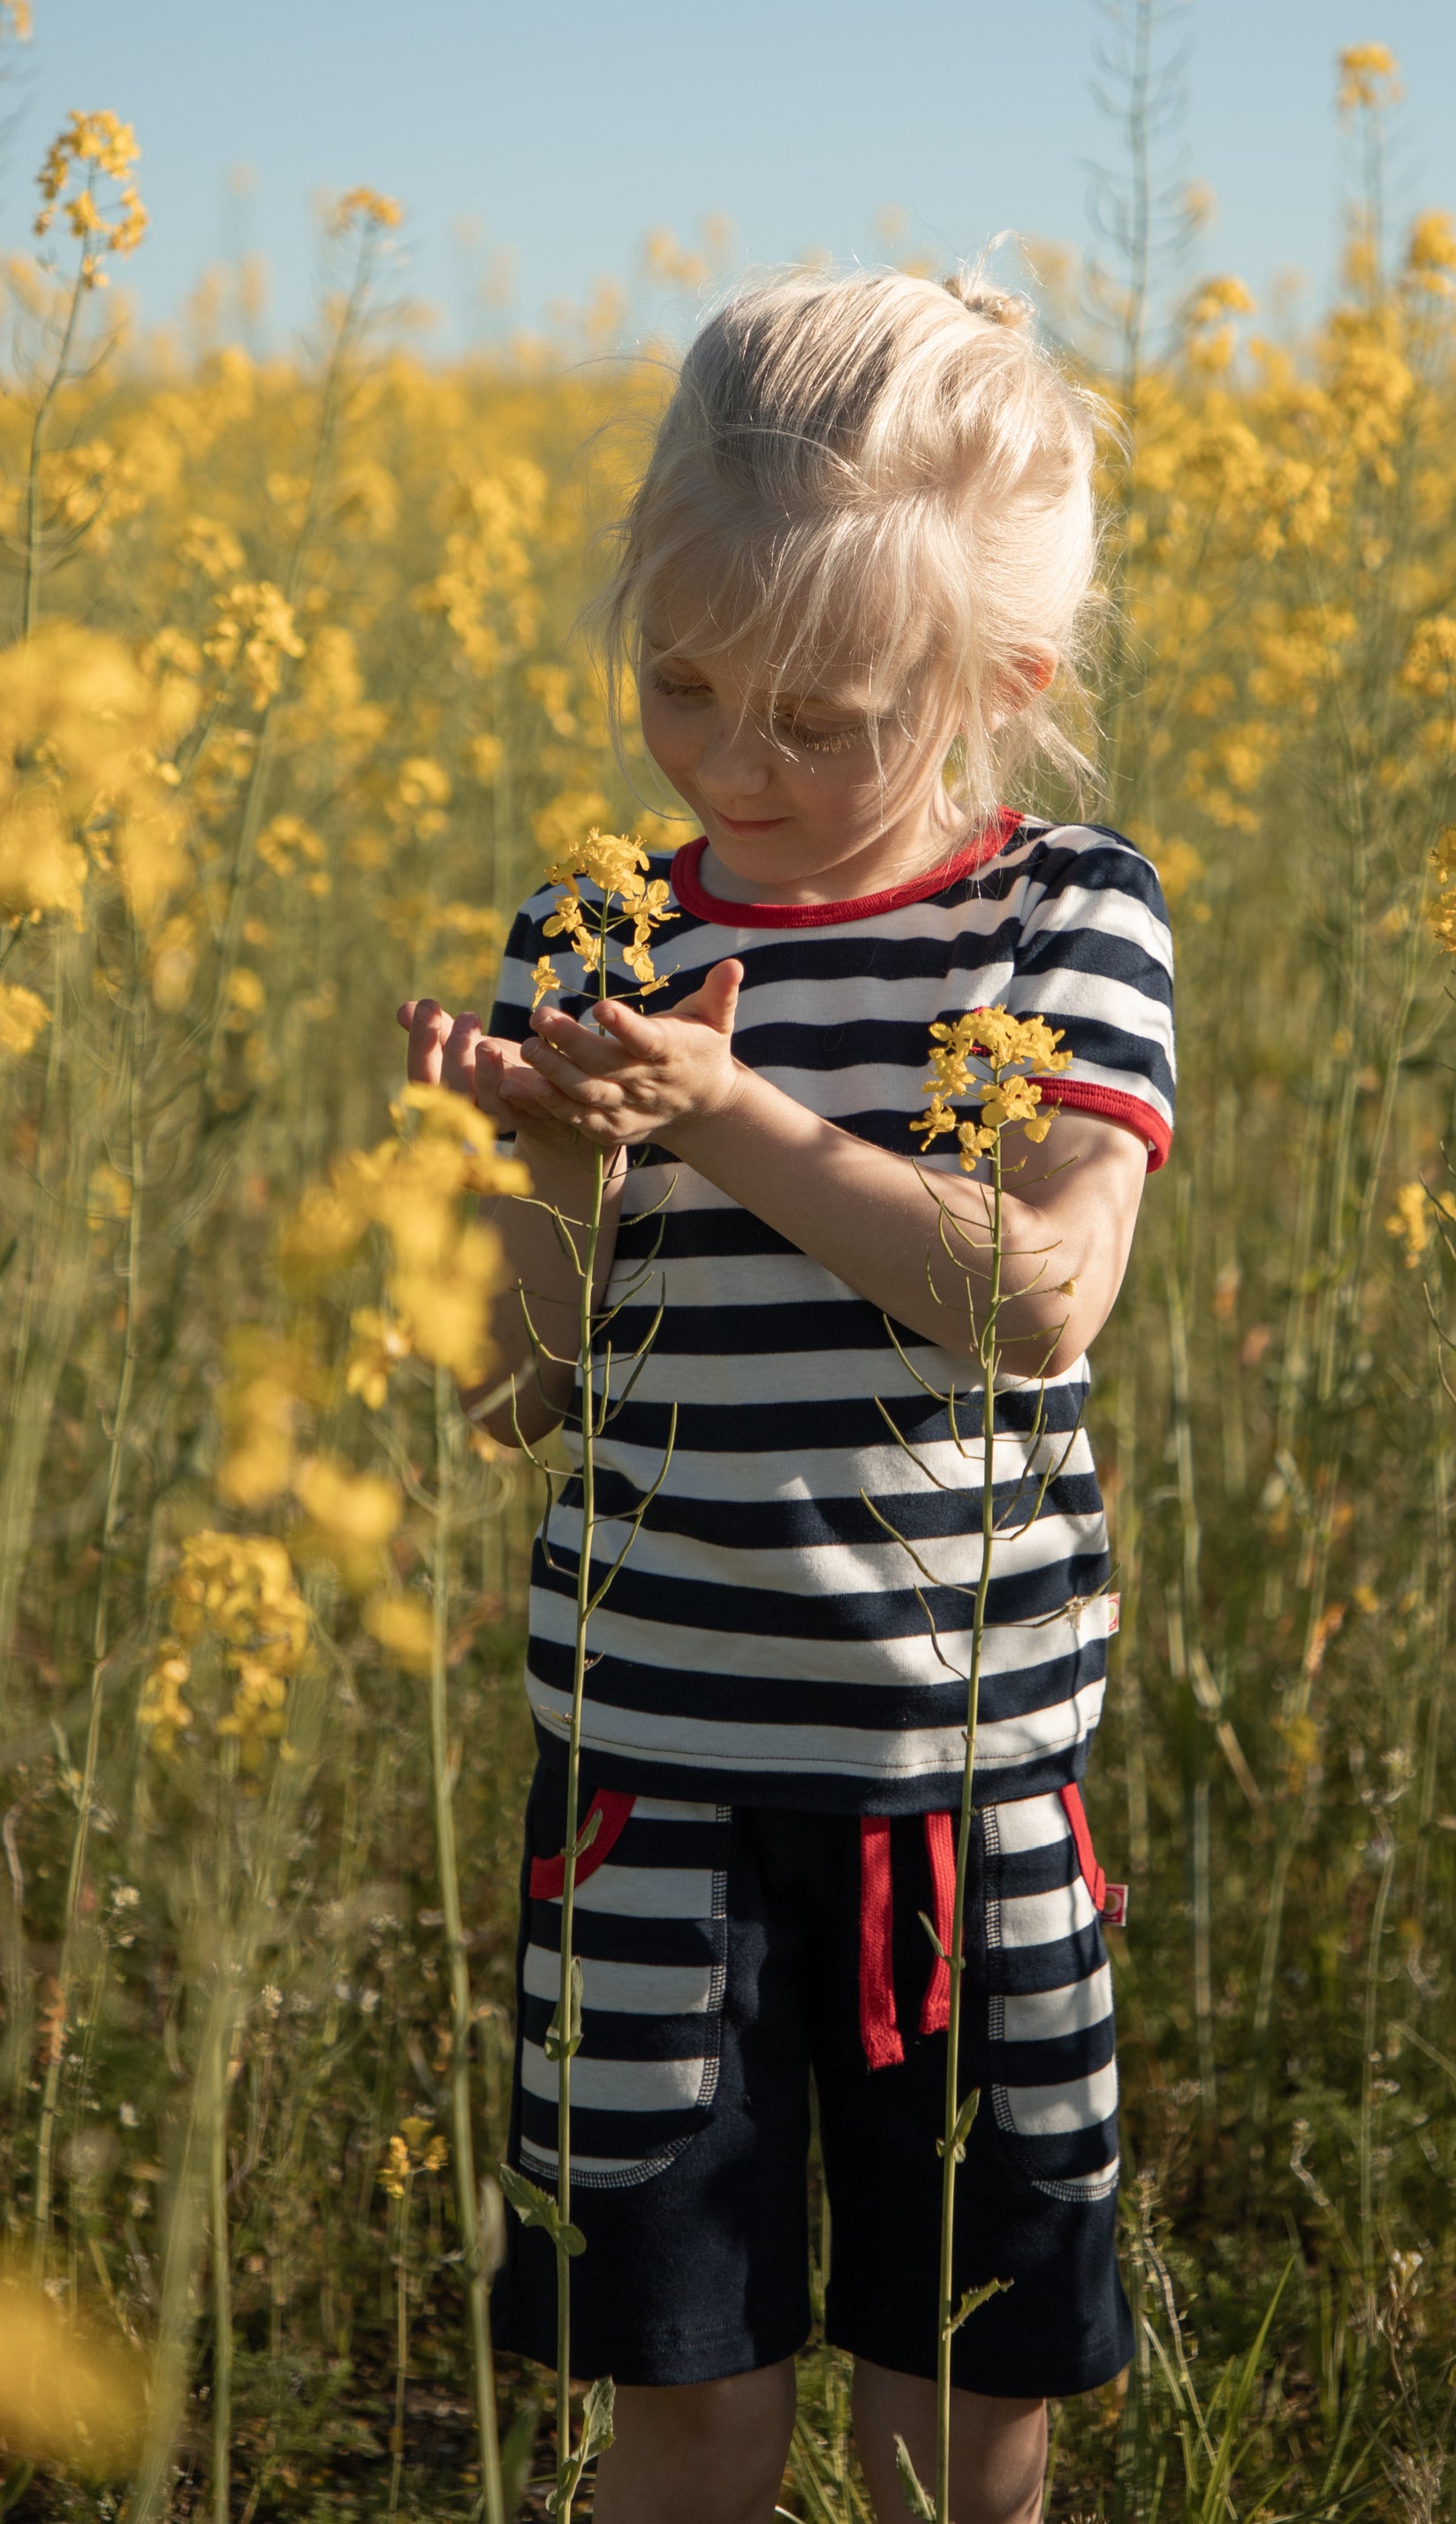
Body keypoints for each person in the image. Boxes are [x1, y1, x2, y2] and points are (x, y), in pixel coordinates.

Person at [397, 265, 1174, 2524]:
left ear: (999, 687)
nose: (734, 766)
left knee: (959, 2393)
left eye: (817, 721)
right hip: (645, 1780)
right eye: (681, 684)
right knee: (681, 2395)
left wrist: (722, 1113)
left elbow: (1039, 1295)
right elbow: (515, 1394)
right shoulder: (598, 937)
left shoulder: (1062, 919)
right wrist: (550, 1151)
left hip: (957, 1789)